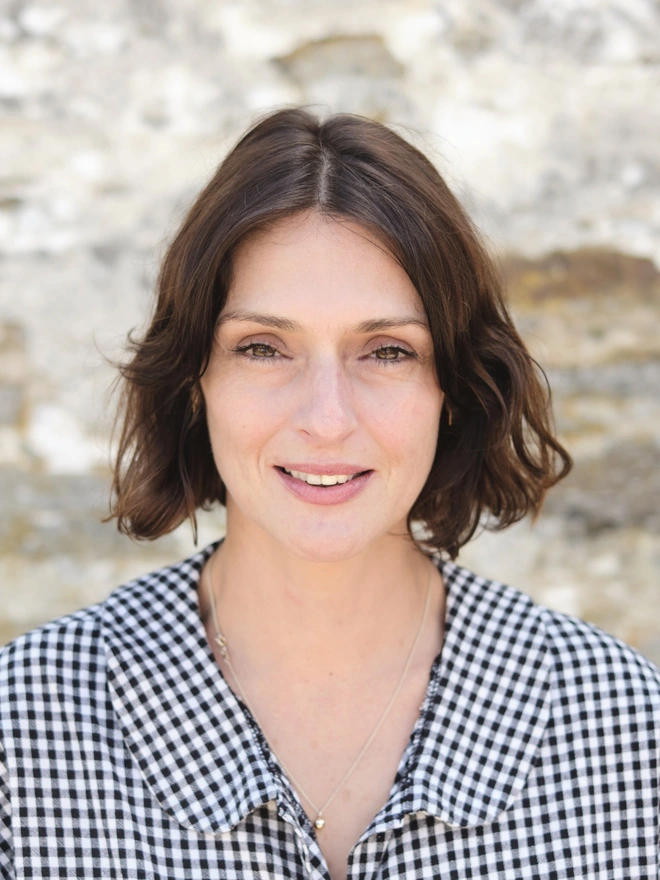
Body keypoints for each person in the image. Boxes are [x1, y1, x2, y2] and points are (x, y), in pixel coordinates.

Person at [0, 106, 658, 880]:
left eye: (385, 351)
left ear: (453, 385)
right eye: (262, 348)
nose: (327, 419)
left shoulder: (629, 730)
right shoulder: (23, 734)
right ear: (193, 379)